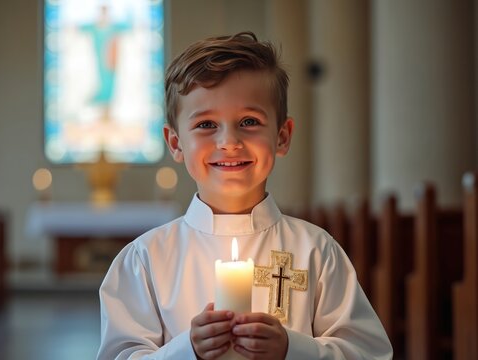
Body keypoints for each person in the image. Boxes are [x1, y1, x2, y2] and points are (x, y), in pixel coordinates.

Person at [97, 32, 393, 360]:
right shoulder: (144, 260)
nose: (229, 142)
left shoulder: (316, 250)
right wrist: (186, 350)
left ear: (282, 137)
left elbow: (369, 353)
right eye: (207, 124)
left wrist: (291, 349)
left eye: (249, 121)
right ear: (176, 143)